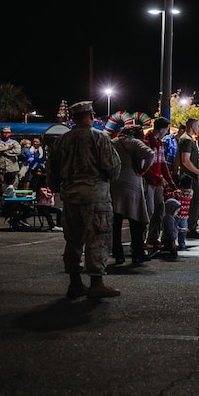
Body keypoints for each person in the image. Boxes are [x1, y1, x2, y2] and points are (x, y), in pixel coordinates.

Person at [47, 100, 122, 299]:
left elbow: (52, 173)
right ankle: (96, 282)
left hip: (71, 195)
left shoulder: (62, 141)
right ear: (90, 115)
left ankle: (75, 283)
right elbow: (113, 167)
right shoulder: (99, 137)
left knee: (73, 239)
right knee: (98, 236)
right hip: (95, 195)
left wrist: (60, 188)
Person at [110, 124, 153, 266]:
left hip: (114, 183)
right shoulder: (135, 142)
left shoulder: (113, 142)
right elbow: (150, 154)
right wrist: (143, 170)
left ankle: (118, 254)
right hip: (132, 183)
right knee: (136, 220)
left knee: (116, 222)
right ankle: (137, 254)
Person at [143, 117, 177, 253]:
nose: (166, 132)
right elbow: (145, 166)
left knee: (159, 208)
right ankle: (142, 239)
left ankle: (153, 237)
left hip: (158, 181)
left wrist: (170, 181)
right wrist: (159, 178)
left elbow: (162, 164)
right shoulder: (146, 142)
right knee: (149, 210)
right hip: (150, 181)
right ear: (161, 129)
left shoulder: (160, 143)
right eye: (166, 129)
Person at [173, 117, 199, 239]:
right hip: (190, 176)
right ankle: (191, 228)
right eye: (197, 126)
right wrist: (198, 172)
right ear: (192, 126)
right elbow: (185, 160)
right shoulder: (187, 140)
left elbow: (178, 159)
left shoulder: (184, 139)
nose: (198, 128)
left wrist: (176, 171)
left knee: (189, 202)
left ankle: (187, 226)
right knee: (196, 201)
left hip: (186, 175)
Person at [0, 126, 20, 193]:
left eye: (7, 132)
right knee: (2, 185)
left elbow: (17, 151)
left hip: (12, 167)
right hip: (1, 167)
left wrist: (4, 152)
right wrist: (8, 148)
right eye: (4, 132)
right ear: (1, 133)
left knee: (14, 185)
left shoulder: (14, 142)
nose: (6, 134)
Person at [174, 175, 194, 250]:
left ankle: (172, 243)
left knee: (174, 230)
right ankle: (182, 244)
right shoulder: (190, 194)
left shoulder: (178, 193)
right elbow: (191, 191)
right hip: (185, 216)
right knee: (183, 232)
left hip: (176, 216)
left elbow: (172, 194)